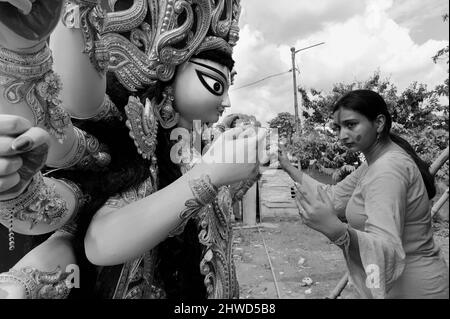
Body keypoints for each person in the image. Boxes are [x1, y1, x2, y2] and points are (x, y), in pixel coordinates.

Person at [0, 0, 263, 299]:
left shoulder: (197, 144)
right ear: (168, 70)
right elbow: (100, 242)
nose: (227, 101)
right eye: (216, 85)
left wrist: (233, 175)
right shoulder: (142, 138)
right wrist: (210, 175)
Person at [279, 89, 449, 299]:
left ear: (378, 123)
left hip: (414, 289)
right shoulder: (372, 163)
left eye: (351, 125)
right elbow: (333, 198)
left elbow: (386, 248)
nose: (342, 135)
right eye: (338, 127)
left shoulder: (387, 169)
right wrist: (287, 166)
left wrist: (337, 231)